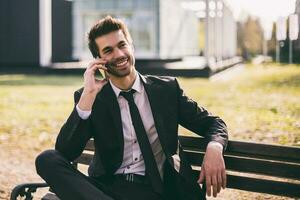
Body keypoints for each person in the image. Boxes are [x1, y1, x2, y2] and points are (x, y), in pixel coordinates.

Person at [35, 16, 228, 200]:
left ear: (131, 46)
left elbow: (213, 123)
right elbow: (65, 152)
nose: (118, 54)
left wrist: (214, 147)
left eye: (122, 45)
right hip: (109, 188)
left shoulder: (166, 90)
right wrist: (88, 96)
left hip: (158, 189)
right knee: (46, 159)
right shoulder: (91, 98)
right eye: (108, 50)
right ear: (98, 60)